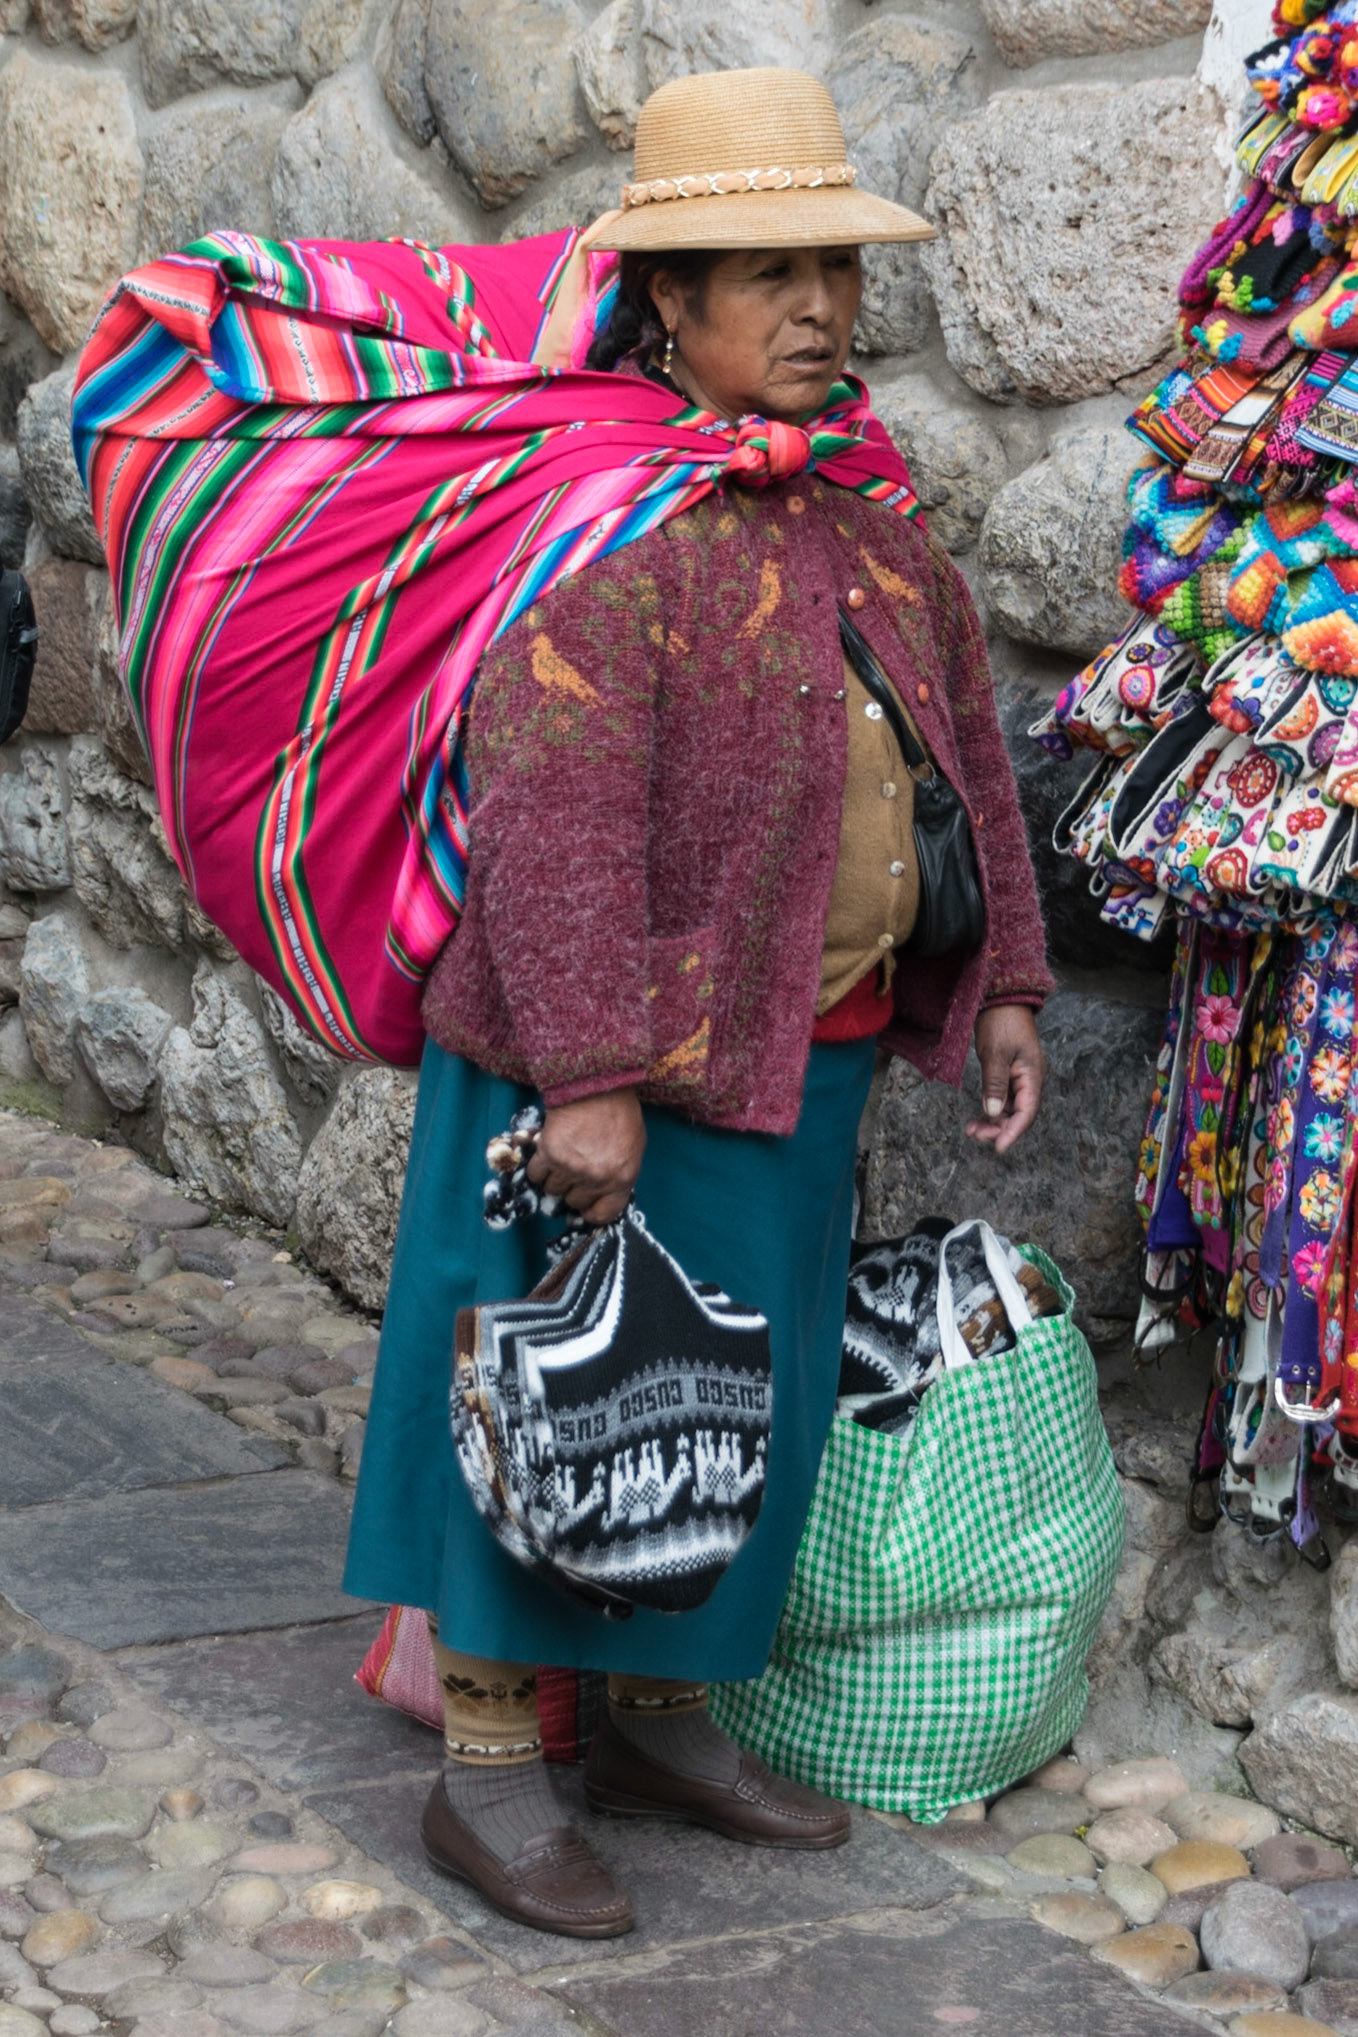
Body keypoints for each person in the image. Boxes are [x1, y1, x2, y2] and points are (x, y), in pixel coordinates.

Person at [342, 65, 1053, 1939]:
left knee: (742, 1402)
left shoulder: (877, 525)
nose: (815, 307)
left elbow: (964, 761)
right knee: (556, 1385)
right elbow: (553, 821)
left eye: (831, 266)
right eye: (764, 273)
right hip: (599, 1074)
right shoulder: (607, 532)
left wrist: (998, 983)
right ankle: (491, 1769)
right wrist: (584, 1077)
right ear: (669, 302)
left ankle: (664, 1712)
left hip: (792, 1060)